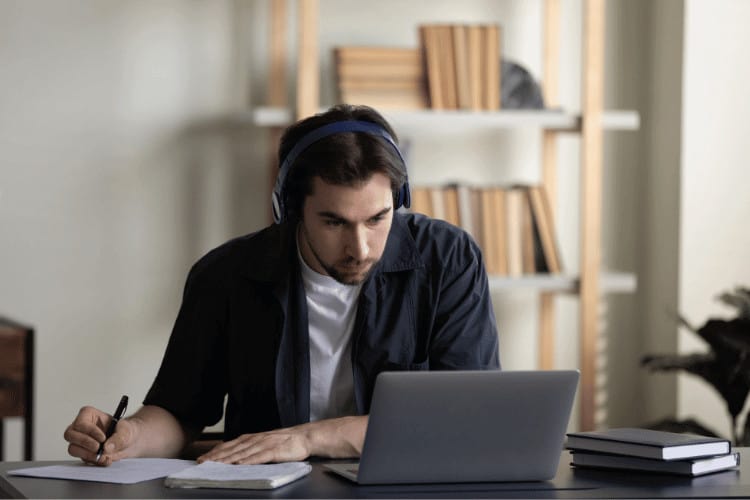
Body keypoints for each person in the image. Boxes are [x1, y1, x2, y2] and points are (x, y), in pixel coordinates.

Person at [64, 104, 499, 466]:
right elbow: (180, 413)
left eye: (377, 218)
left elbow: (465, 417)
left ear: (398, 202)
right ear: (289, 209)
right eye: (334, 222)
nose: (360, 247)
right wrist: (129, 435)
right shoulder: (225, 274)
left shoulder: (449, 259)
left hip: (407, 486)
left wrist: (307, 439)